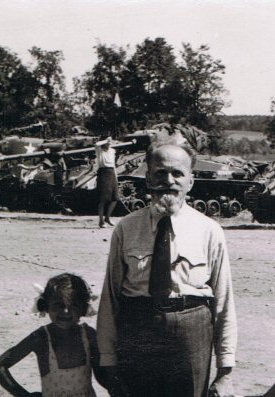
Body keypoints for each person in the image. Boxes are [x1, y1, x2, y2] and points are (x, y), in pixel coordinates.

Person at [97, 143, 237, 397]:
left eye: (177, 174)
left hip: (191, 332)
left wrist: (225, 370)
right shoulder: (126, 228)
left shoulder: (209, 230)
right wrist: (108, 359)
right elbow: (110, 298)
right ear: (148, 177)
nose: (168, 181)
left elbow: (224, 301)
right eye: (160, 173)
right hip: (138, 330)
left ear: (190, 181)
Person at [0, 273, 108, 397]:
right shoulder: (41, 338)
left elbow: (102, 375)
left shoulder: (88, 336)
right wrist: (24, 395)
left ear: (83, 309)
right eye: (59, 305)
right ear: (46, 306)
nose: (65, 311)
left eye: (73, 305)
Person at [95, 137, 119, 228]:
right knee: (103, 199)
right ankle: (101, 221)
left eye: (110, 142)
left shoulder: (112, 151)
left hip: (111, 172)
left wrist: (116, 176)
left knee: (115, 199)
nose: (109, 143)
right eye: (107, 142)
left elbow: (113, 164)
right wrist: (106, 140)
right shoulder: (99, 150)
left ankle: (107, 218)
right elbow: (96, 144)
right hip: (103, 173)